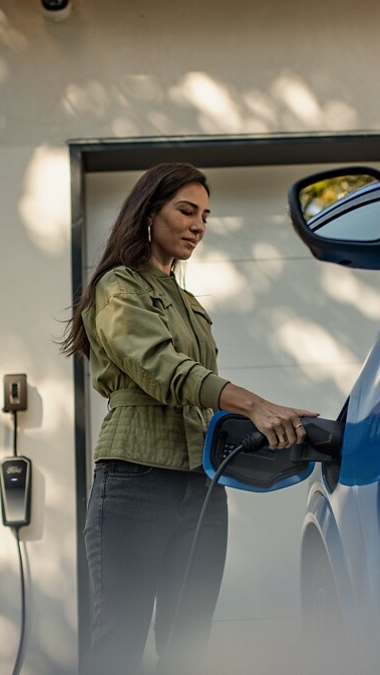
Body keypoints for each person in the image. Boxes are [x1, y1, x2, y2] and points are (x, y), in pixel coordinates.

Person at [60, 163, 317, 674]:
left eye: (205, 215)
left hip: (201, 487)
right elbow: (165, 371)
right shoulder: (119, 287)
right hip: (134, 485)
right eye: (186, 210)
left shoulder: (189, 301)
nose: (199, 224)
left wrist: (275, 428)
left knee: (188, 647)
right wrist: (254, 404)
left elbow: (199, 395)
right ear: (149, 212)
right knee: (118, 645)